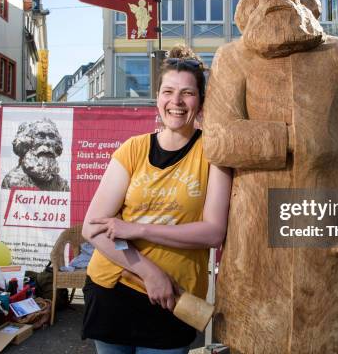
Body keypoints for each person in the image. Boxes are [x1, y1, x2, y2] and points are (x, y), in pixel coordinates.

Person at [202, 0, 338, 353]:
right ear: (252, 0)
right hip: (254, 228)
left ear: (308, 0)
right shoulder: (232, 57)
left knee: (326, 340)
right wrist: (293, 137)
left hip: (321, 222)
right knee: (253, 339)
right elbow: (217, 139)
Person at [80, 46, 232, 354]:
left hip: (173, 299)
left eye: (187, 93)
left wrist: (138, 229)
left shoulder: (214, 154)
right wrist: (151, 273)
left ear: (201, 101)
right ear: (158, 98)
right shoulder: (133, 149)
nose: (176, 102)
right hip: (114, 289)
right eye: (168, 91)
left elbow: (213, 232)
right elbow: (92, 229)